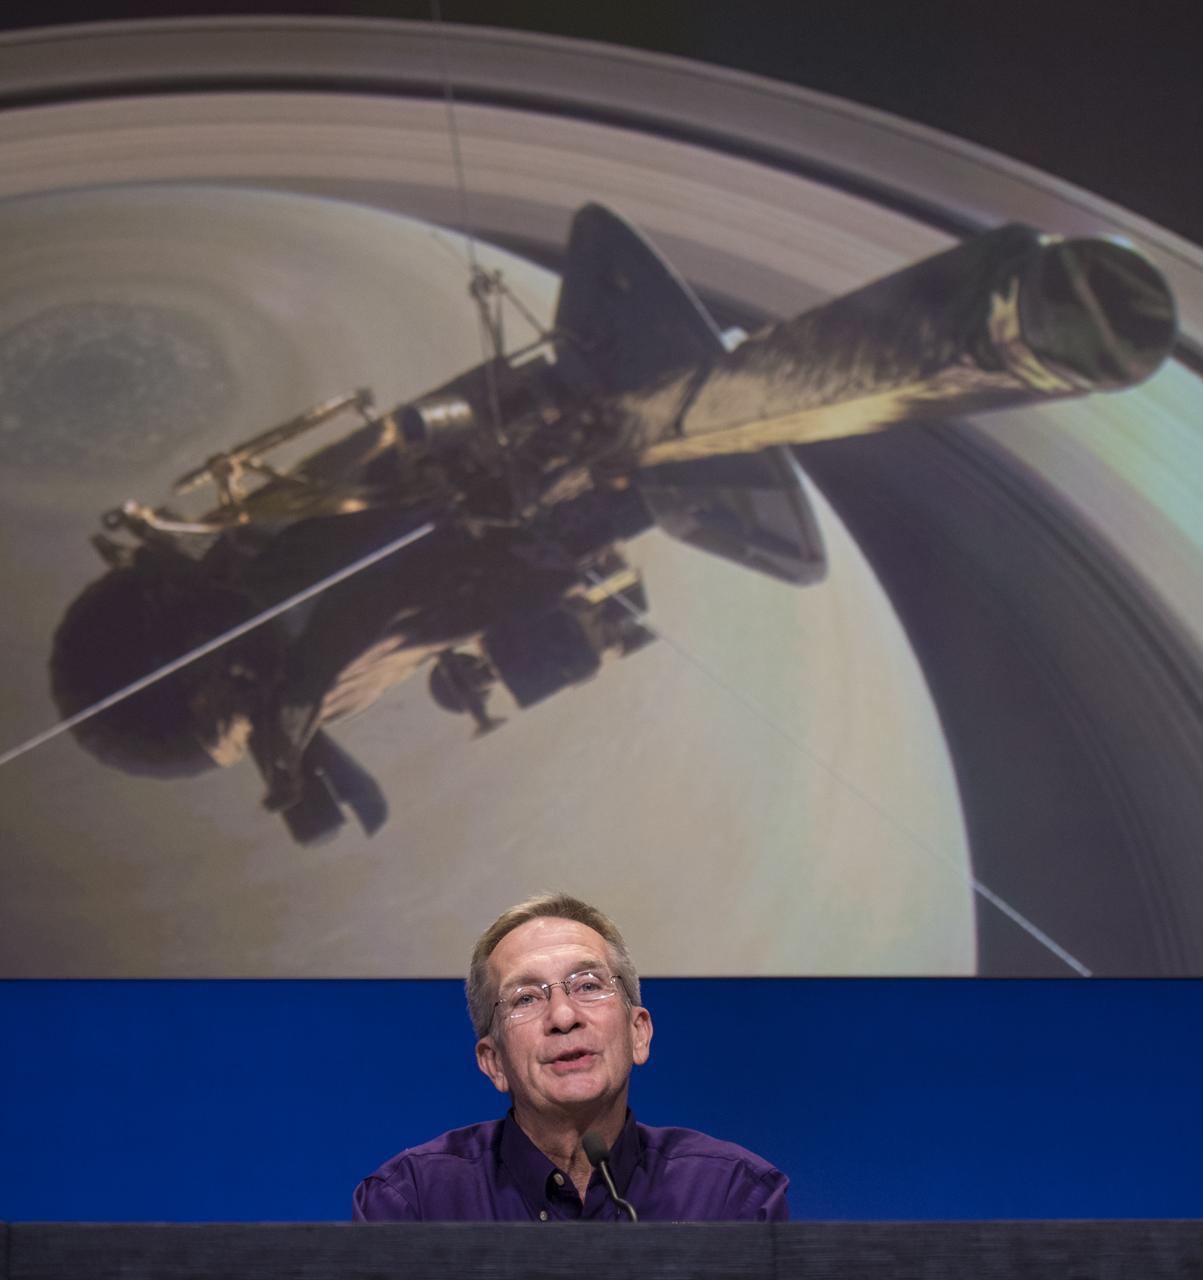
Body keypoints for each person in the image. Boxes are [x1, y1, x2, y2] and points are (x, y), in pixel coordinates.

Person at [353, 893, 789, 1221]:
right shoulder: (414, 1203)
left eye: (587, 986)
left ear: (638, 1033)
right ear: (494, 1061)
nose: (563, 1016)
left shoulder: (732, 1197)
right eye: (525, 998)